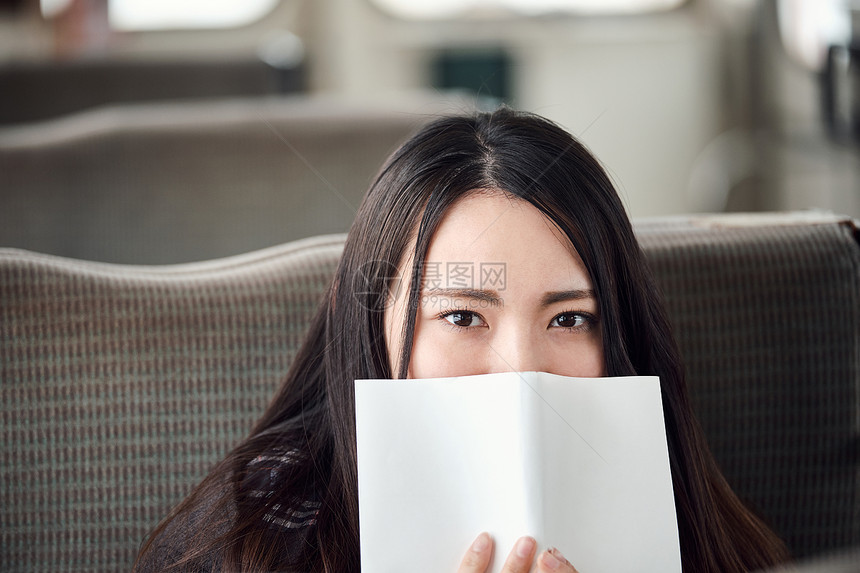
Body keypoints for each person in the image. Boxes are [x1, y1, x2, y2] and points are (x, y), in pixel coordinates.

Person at [134, 107, 790, 572]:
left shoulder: (690, 517)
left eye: (569, 319)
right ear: (366, 321)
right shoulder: (255, 538)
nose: (520, 369)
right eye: (462, 316)